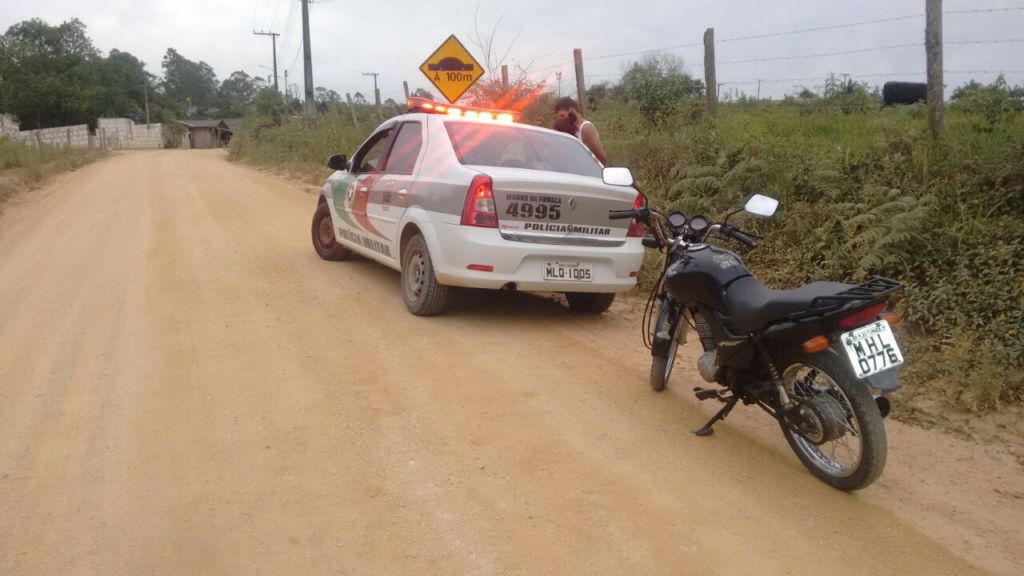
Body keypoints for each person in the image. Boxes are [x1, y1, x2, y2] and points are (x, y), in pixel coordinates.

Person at [553, 97, 607, 164]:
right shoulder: (569, 126)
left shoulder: (586, 128)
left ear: (571, 110)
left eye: (562, 116)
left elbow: (601, 158)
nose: (561, 120)